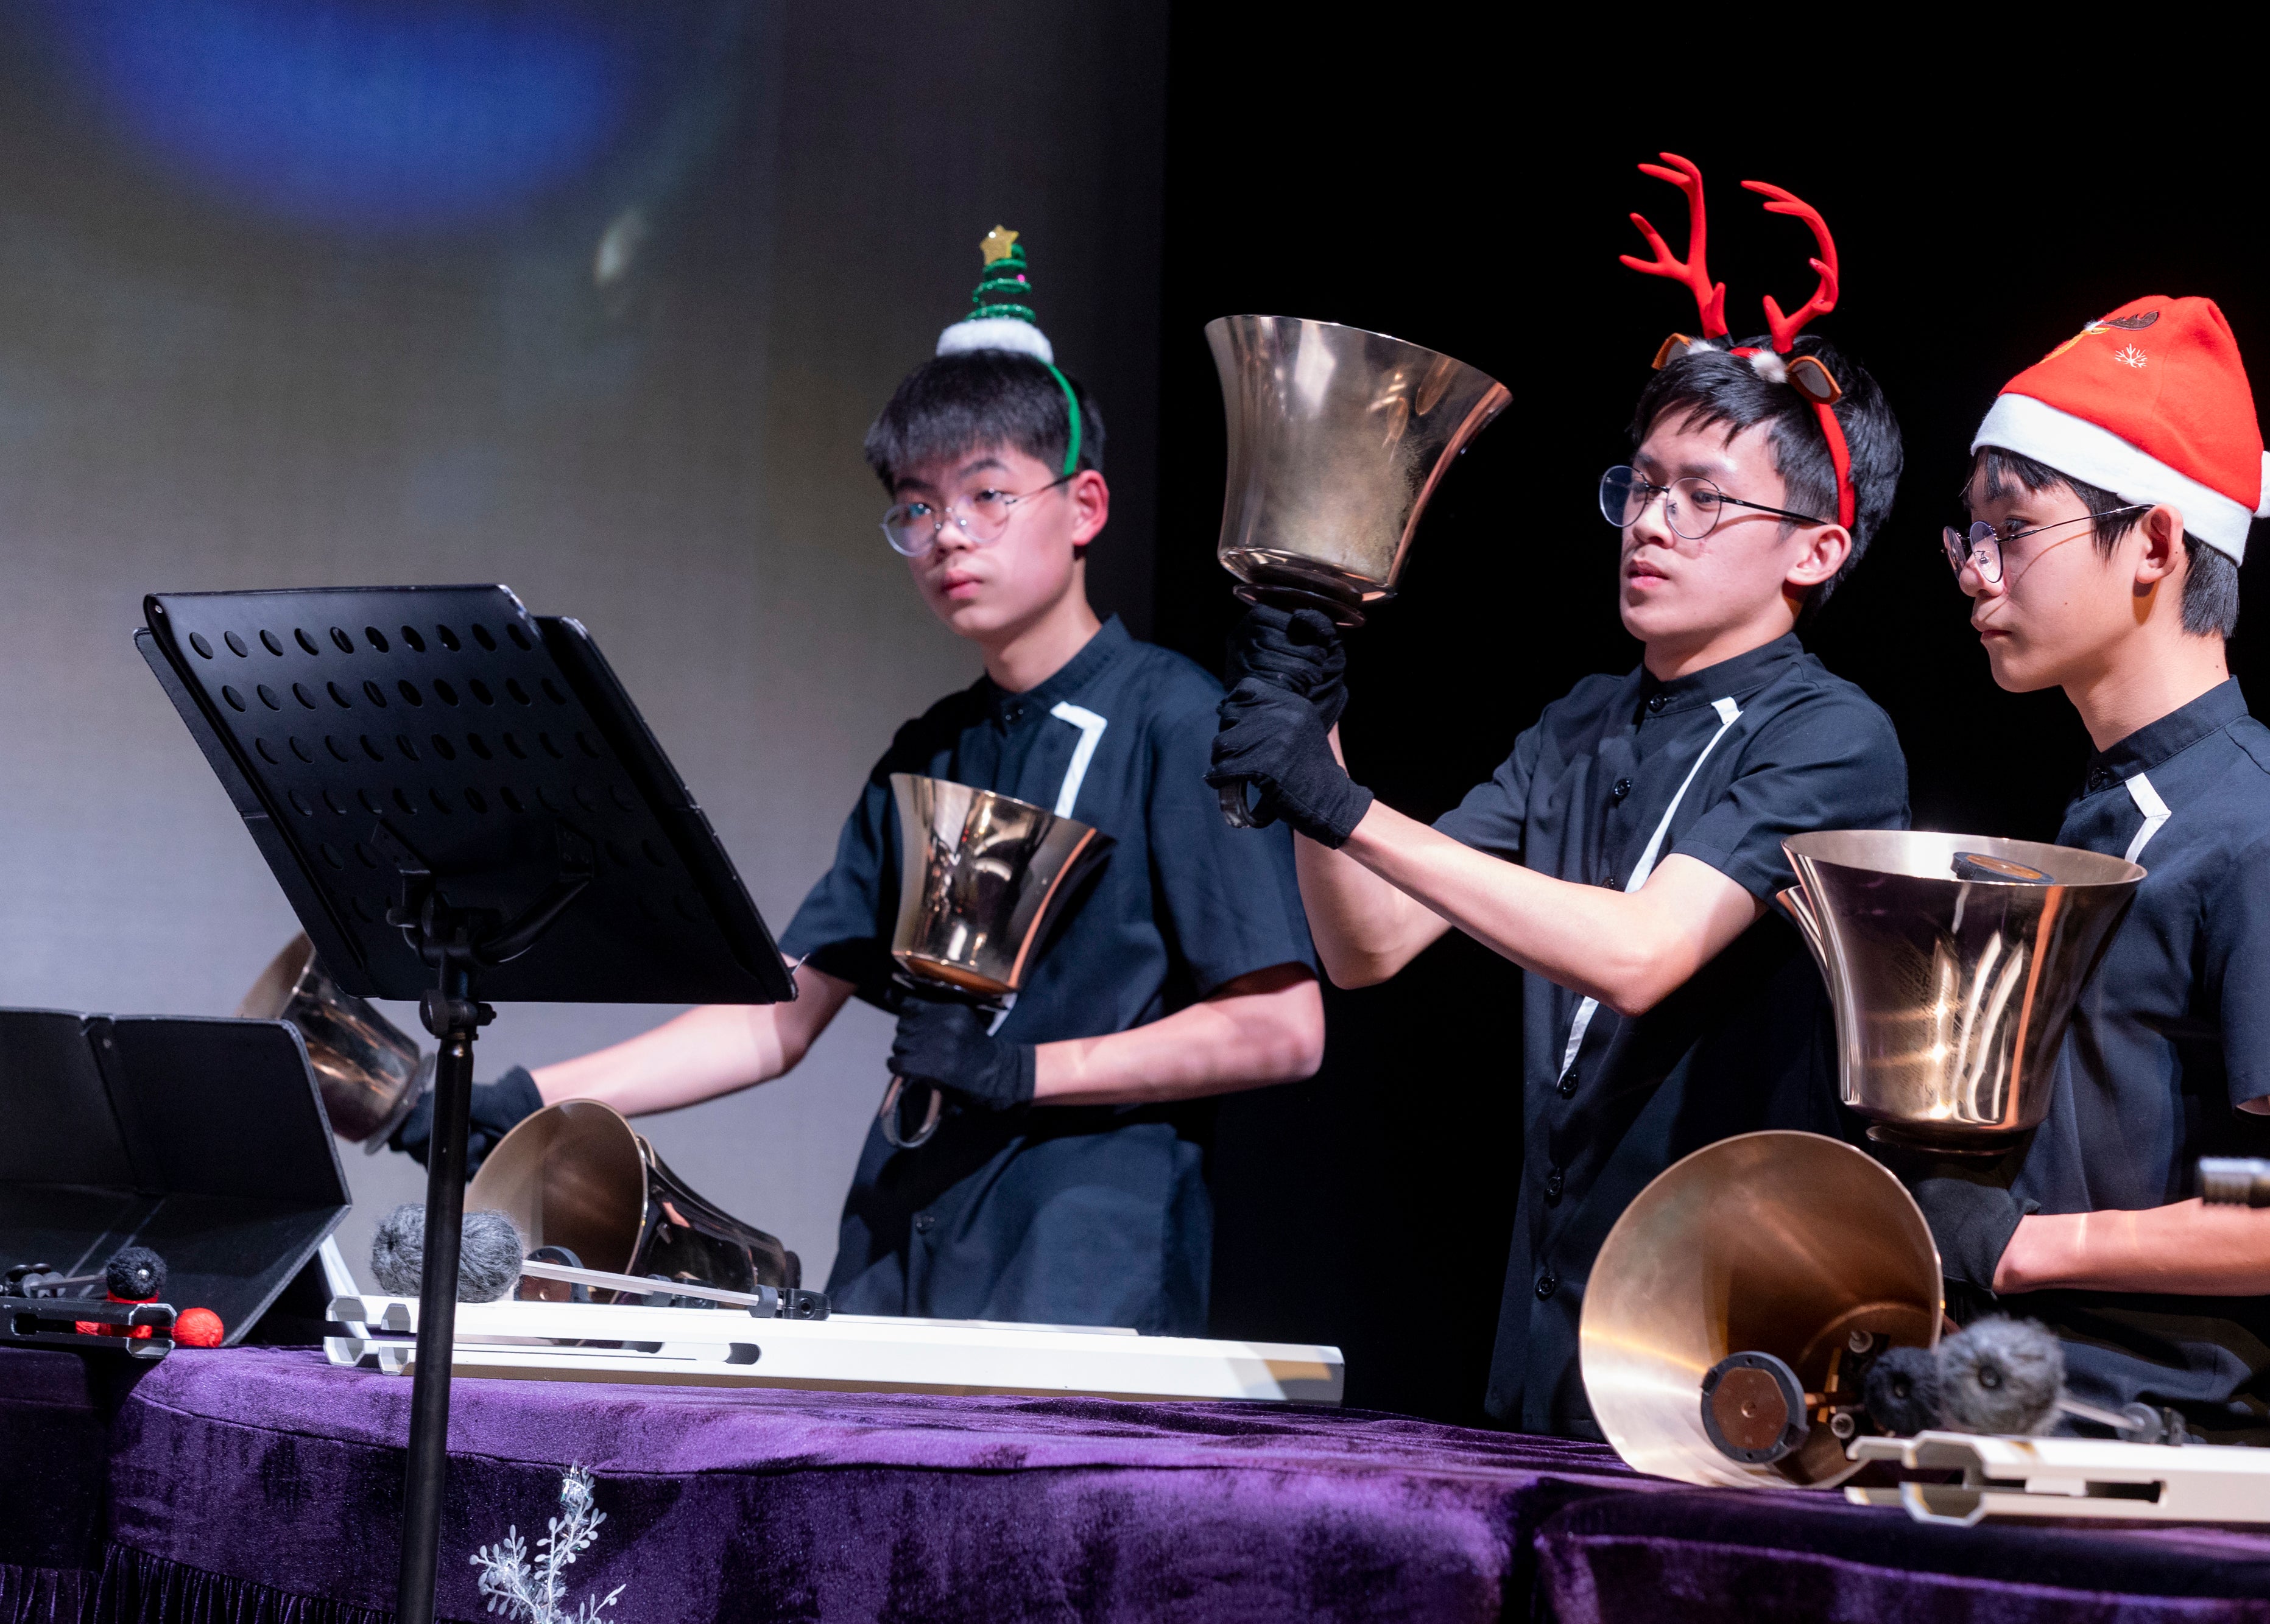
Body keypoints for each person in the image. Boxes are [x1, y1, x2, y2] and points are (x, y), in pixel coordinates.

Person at [399, 228, 1324, 1334]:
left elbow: (1284, 1028)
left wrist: (1024, 1072)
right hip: (899, 1238)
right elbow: (777, 1019)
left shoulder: (1175, 717)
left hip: (1082, 1257)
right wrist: (513, 1105)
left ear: (1084, 508)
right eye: (918, 507)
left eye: (988, 496)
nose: (947, 537)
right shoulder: (927, 747)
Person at [1206, 156, 1909, 1436]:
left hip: (1730, 1342)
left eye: (1705, 499)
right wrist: (1315, 707)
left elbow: (1639, 955)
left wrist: (1340, 805)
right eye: (1640, 485)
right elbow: (1367, 944)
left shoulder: (1832, 738)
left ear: (1816, 548)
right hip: (1551, 1323)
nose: (1650, 521)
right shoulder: (1581, 718)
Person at [1922, 294, 2270, 1441]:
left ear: (2154, 541)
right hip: (2012, 1409)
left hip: (2143, 1455)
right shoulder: (2117, 807)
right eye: (1969, 537)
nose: (1976, 574)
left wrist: (2033, 1245)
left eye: (2013, 531)